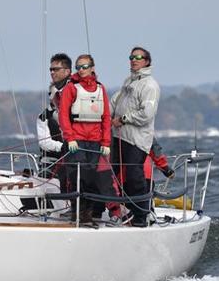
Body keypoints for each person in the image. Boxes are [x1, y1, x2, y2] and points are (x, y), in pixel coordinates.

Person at [58, 54, 115, 223]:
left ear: (92, 68)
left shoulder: (100, 88)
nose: (81, 70)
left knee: (91, 176)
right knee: (78, 175)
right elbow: (63, 115)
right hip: (77, 140)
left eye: (84, 67)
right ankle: (78, 212)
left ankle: (88, 213)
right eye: (78, 67)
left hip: (95, 140)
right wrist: (70, 138)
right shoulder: (71, 88)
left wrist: (106, 142)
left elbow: (106, 116)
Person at [110, 46, 161, 227]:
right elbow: (114, 102)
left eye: (139, 57)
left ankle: (142, 216)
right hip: (119, 138)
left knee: (134, 177)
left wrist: (123, 119)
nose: (134, 59)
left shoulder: (150, 85)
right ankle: (114, 210)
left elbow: (147, 114)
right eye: (131, 57)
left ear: (147, 61)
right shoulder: (129, 82)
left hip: (137, 140)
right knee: (109, 175)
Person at [36, 53, 71, 190]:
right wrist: (63, 147)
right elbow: (43, 142)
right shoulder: (44, 117)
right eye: (50, 69)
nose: (52, 72)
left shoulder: (76, 95)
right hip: (54, 161)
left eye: (55, 69)